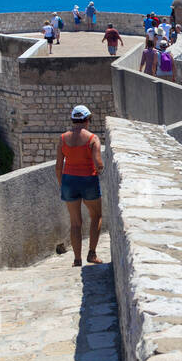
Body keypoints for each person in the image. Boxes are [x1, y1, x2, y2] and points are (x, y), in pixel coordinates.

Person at [55, 105, 103, 266]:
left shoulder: (63, 138)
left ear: (73, 120)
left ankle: (77, 259)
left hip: (69, 181)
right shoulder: (92, 139)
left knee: (75, 223)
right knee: (96, 216)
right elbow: (98, 164)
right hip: (88, 179)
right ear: (87, 120)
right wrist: (101, 168)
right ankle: (92, 254)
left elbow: (58, 166)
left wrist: (62, 184)